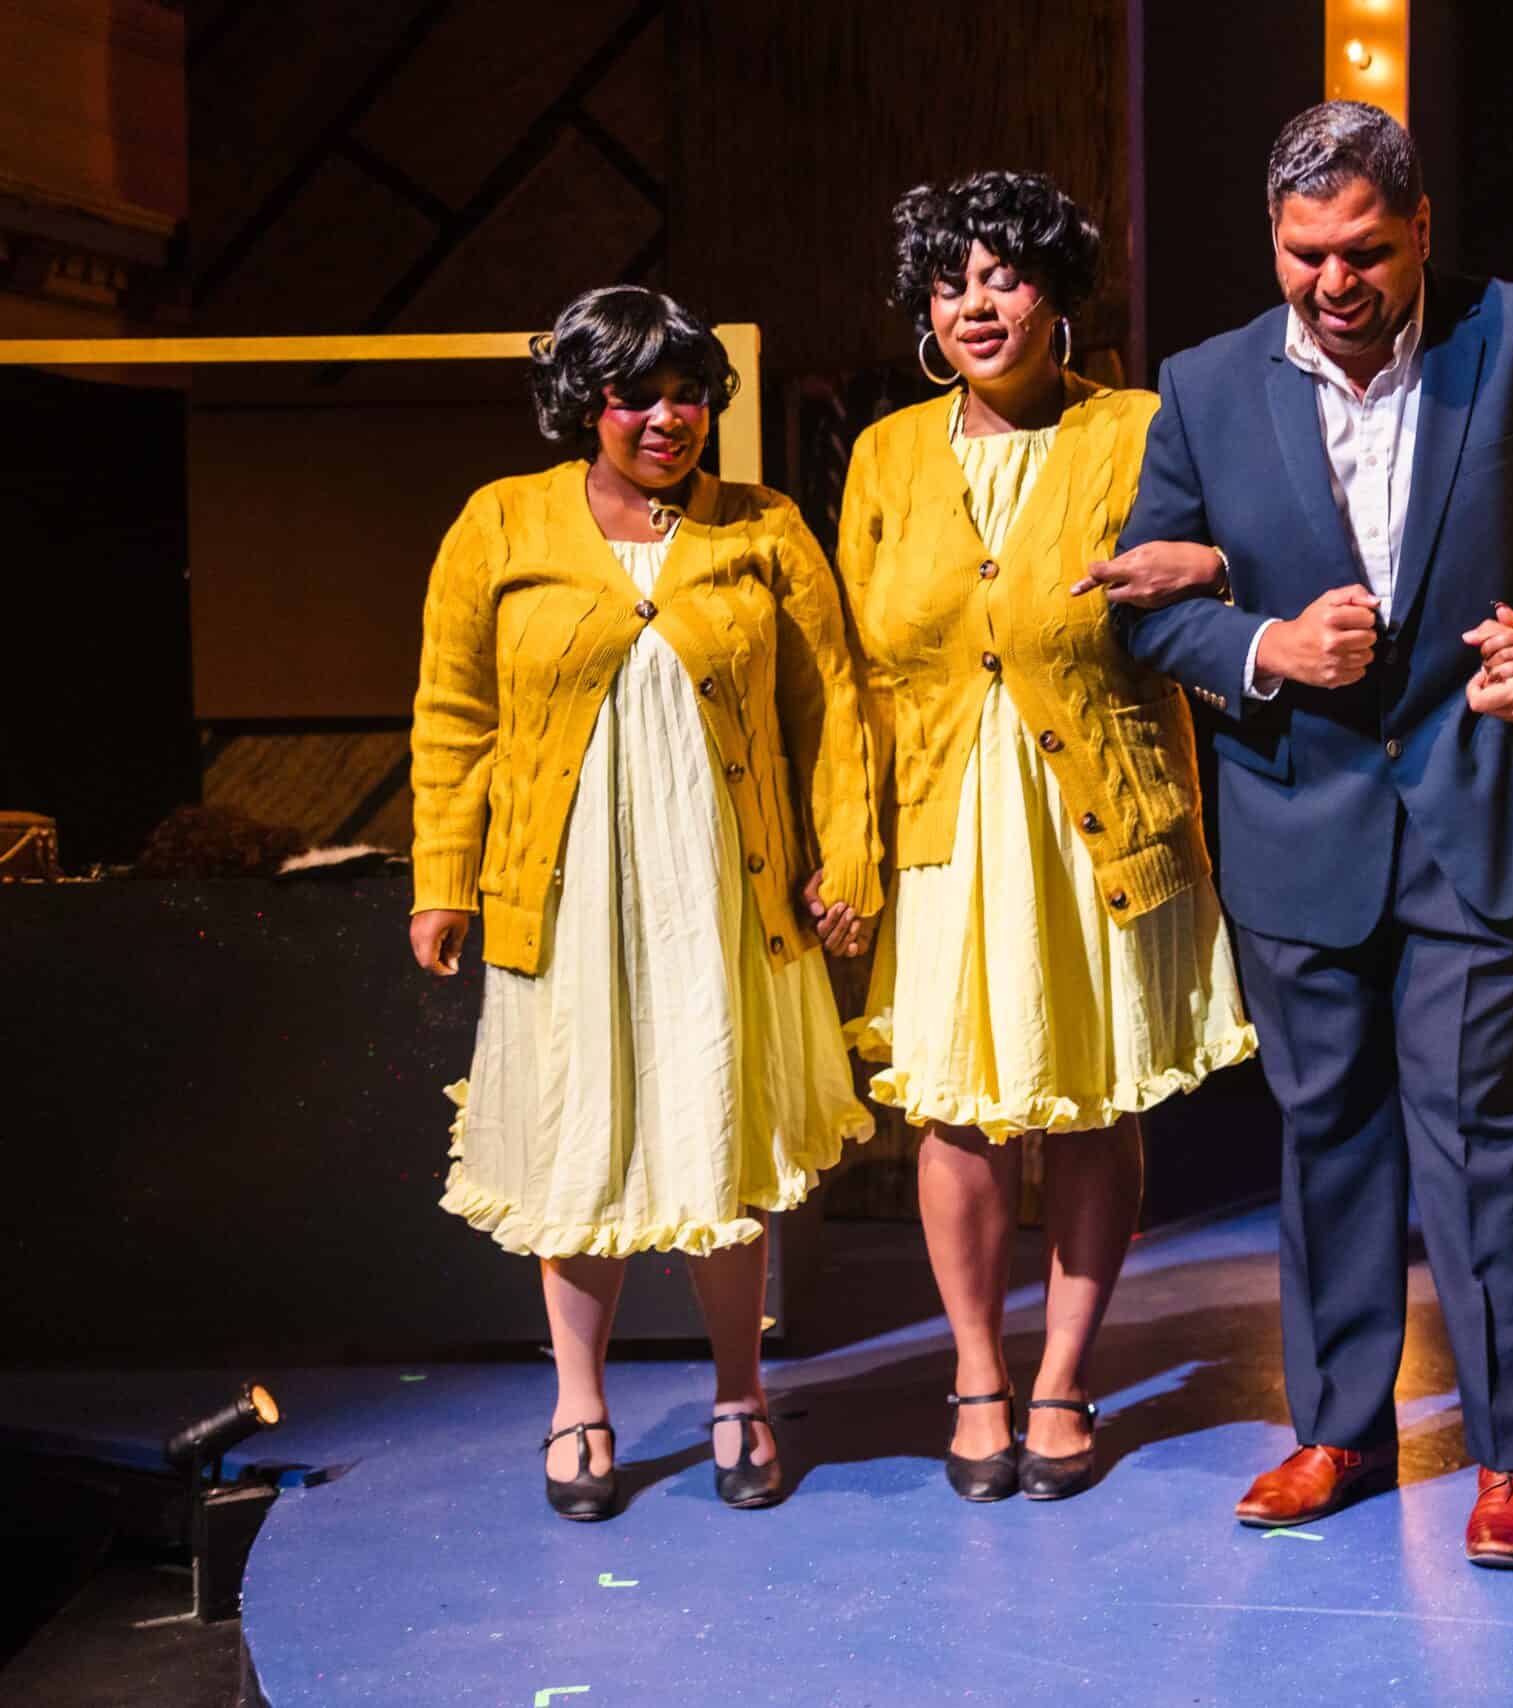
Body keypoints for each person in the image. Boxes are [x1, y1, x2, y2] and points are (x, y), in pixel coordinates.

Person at [1094, 102, 1513, 1568]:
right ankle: (1336, 1430)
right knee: (1325, 1139)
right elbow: (1146, 609)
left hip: (1482, 810)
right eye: (1304, 252)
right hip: (1295, 829)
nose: (1334, 281)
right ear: (1273, 240)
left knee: (1483, 1145)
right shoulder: (1202, 385)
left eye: (1366, 251)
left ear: (1422, 229)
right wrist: (1263, 645)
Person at [410, 285, 880, 1521]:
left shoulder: (765, 524)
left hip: (722, 887)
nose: (667, 419)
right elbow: (454, 718)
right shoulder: (499, 522)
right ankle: (580, 1399)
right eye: (636, 397)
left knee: (721, 1126)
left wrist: (846, 857)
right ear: (585, 403)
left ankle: (740, 1393)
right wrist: (442, 878)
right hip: (565, 894)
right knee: (579, 1135)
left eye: (688, 395)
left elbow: (830, 704)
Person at [838, 171, 1256, 1504]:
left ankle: (1067, 1373)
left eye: (1004, 277)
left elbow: (1243, 557)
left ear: (1058, 295)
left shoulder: (1137, 428)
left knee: (1089, 1105)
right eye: (949, 283)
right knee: (956, 1114)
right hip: (941, 821)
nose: (975, 305)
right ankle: (977, 1376)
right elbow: (855, 676)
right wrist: (846, 845)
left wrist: (1214, 566)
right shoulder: (885, 455)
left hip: (1098, 820)